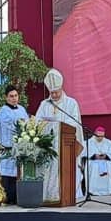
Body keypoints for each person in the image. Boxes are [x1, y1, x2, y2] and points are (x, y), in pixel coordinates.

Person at [35, 69, 85, 203]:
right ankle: (48, 196)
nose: (54, 95)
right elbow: (37, 122)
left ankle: (66, 196)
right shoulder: (44, 104)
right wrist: (46, 124)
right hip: (49, 147)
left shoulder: (71, 103)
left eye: (56, 92)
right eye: (52, 92)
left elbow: (74, 123)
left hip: (65, 146)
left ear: (61, 88)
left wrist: (57, 123)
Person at [0, 86, 29, 203]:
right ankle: (8, 197)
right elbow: (12, 125)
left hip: (20, 147)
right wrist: (23, 124)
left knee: (18, 174)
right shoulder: (3, 111)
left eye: (16, 96)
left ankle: (18, 197)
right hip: (8, 147)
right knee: (8, 174)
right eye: (11, 96)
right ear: (6, 97)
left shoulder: (21, 109)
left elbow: (26, 123)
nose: (14, 98)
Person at [80, 127, 111, 196]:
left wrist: (106, 155)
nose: (100, 138)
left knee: (109, 166)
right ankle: (92, 191)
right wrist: (94, 156)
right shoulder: (89, 142)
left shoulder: (108, 142)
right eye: (98, 136)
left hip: (105, 160)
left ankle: (109, 190)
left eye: (102, 136)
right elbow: (83, 153)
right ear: (95, 134)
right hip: (93, 161)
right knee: (95, 167)